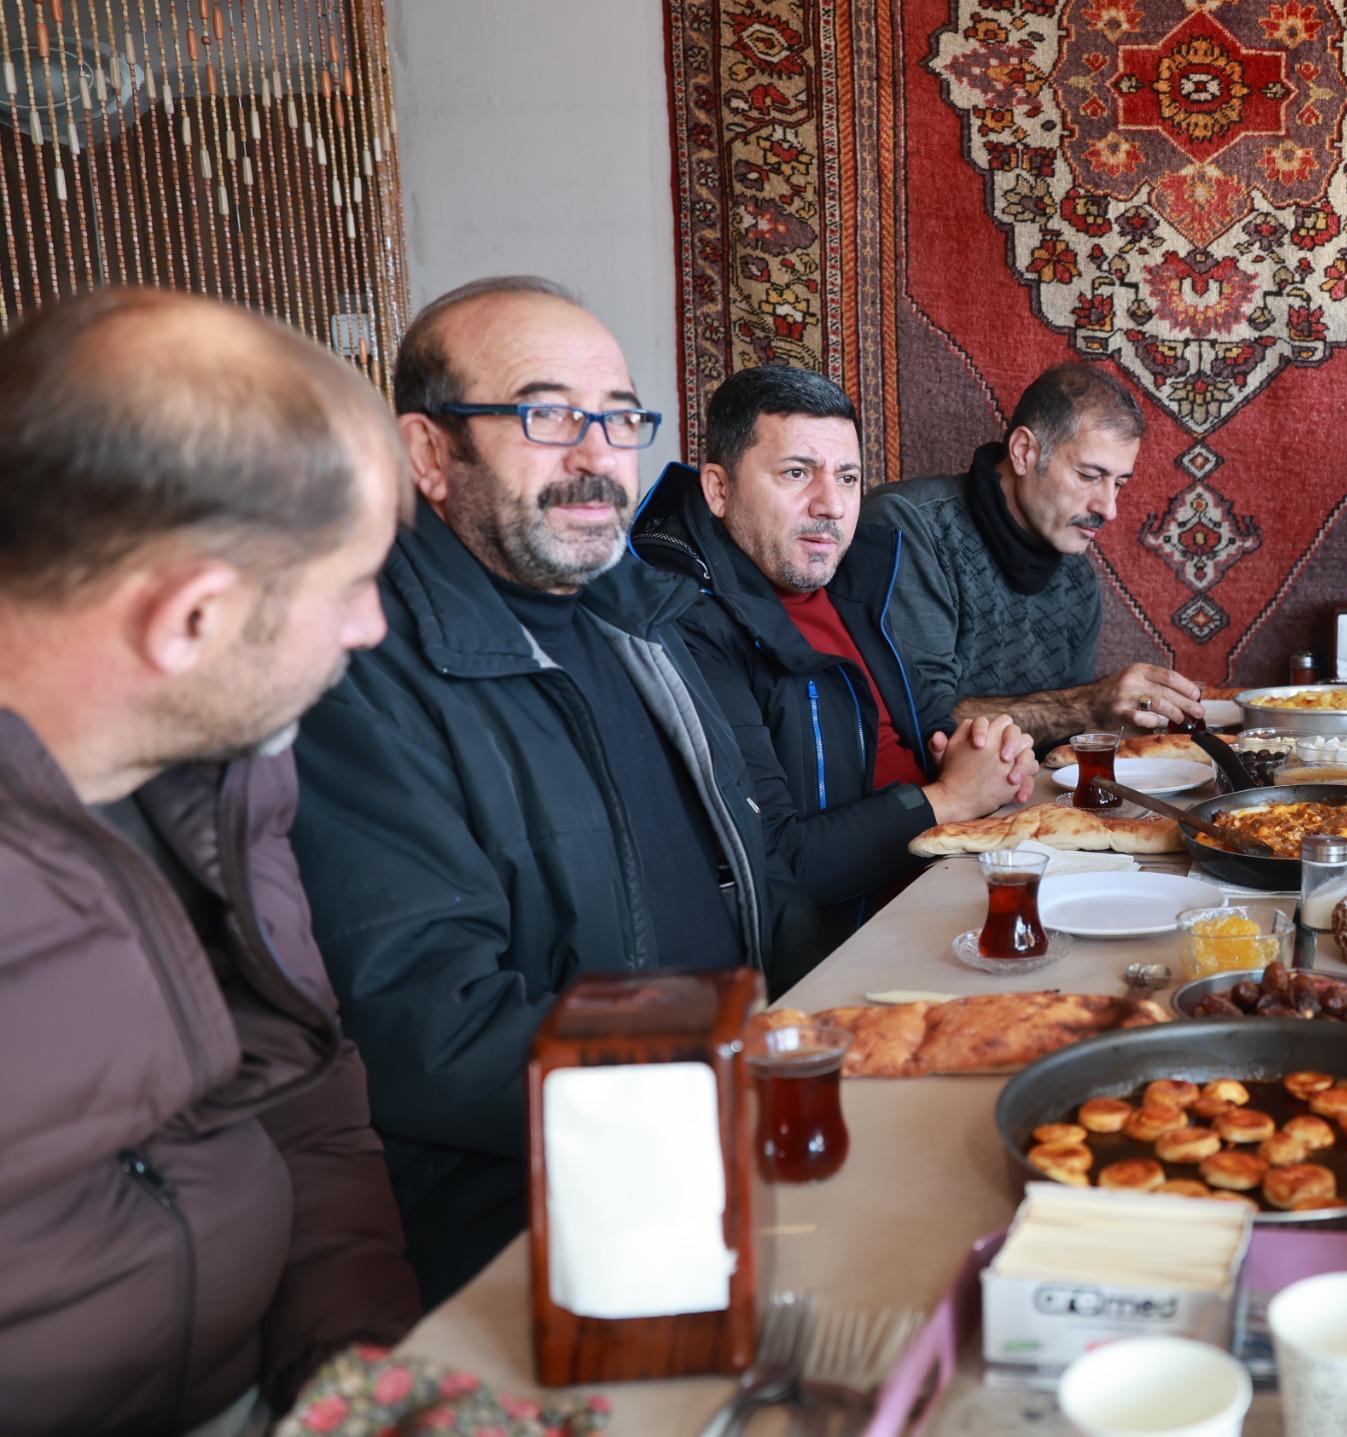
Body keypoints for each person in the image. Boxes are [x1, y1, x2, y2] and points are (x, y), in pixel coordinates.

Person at [290, 276, 806, 1306]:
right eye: (545, 414)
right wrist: (717, 1081)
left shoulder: (644, 616)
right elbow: (429, 1035)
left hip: (717, 1142)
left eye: (618, 418)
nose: (595, 457)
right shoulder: (359, 673)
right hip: (540, 1223)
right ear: (430, 454)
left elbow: (746, 876)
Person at [0, 289, 417, 1433]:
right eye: (350, 587)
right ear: (191, 619)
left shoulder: (220, 772)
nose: (372, 628)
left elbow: (305, 1104)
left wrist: (357, 1382)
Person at [636, 366, 1037, 982]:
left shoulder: (849, 579)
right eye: (796, 473)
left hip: (940, 890)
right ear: (718, 490)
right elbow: (776, 861)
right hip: (839, 958)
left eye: (846, 477)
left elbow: (931, 718)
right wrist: (953, 797)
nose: (830, 505)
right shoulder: (683, 619)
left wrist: (990, 751)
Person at [859, 362, 1202, 743]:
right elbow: (916, 721)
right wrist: (1087, 705)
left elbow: (1065, 740)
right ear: (1024, 452)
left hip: (1035, 797)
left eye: (1118, 483)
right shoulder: (908, 527)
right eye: (1089, 476)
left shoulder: (1077, 575)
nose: (1109, 509)